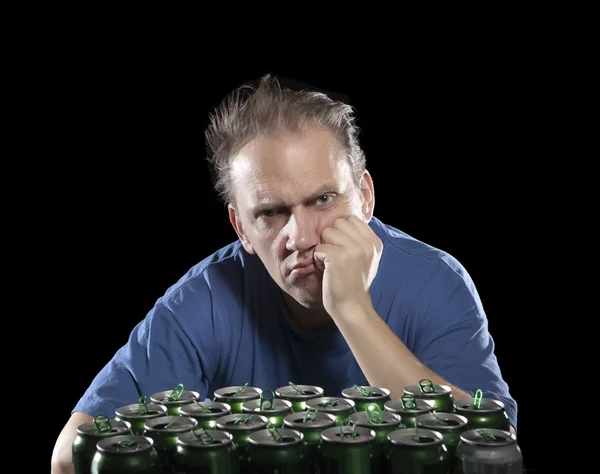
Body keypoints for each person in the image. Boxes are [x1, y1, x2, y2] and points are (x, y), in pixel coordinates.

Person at [51, 74, 517, 473]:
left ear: (366, 196)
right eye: (271, 213)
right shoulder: (205, 299)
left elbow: (490, 450)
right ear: (242, 230)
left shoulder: (434, 282)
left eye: (323, 200)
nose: (301, 236)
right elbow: (70, 455)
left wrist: (353, 309)